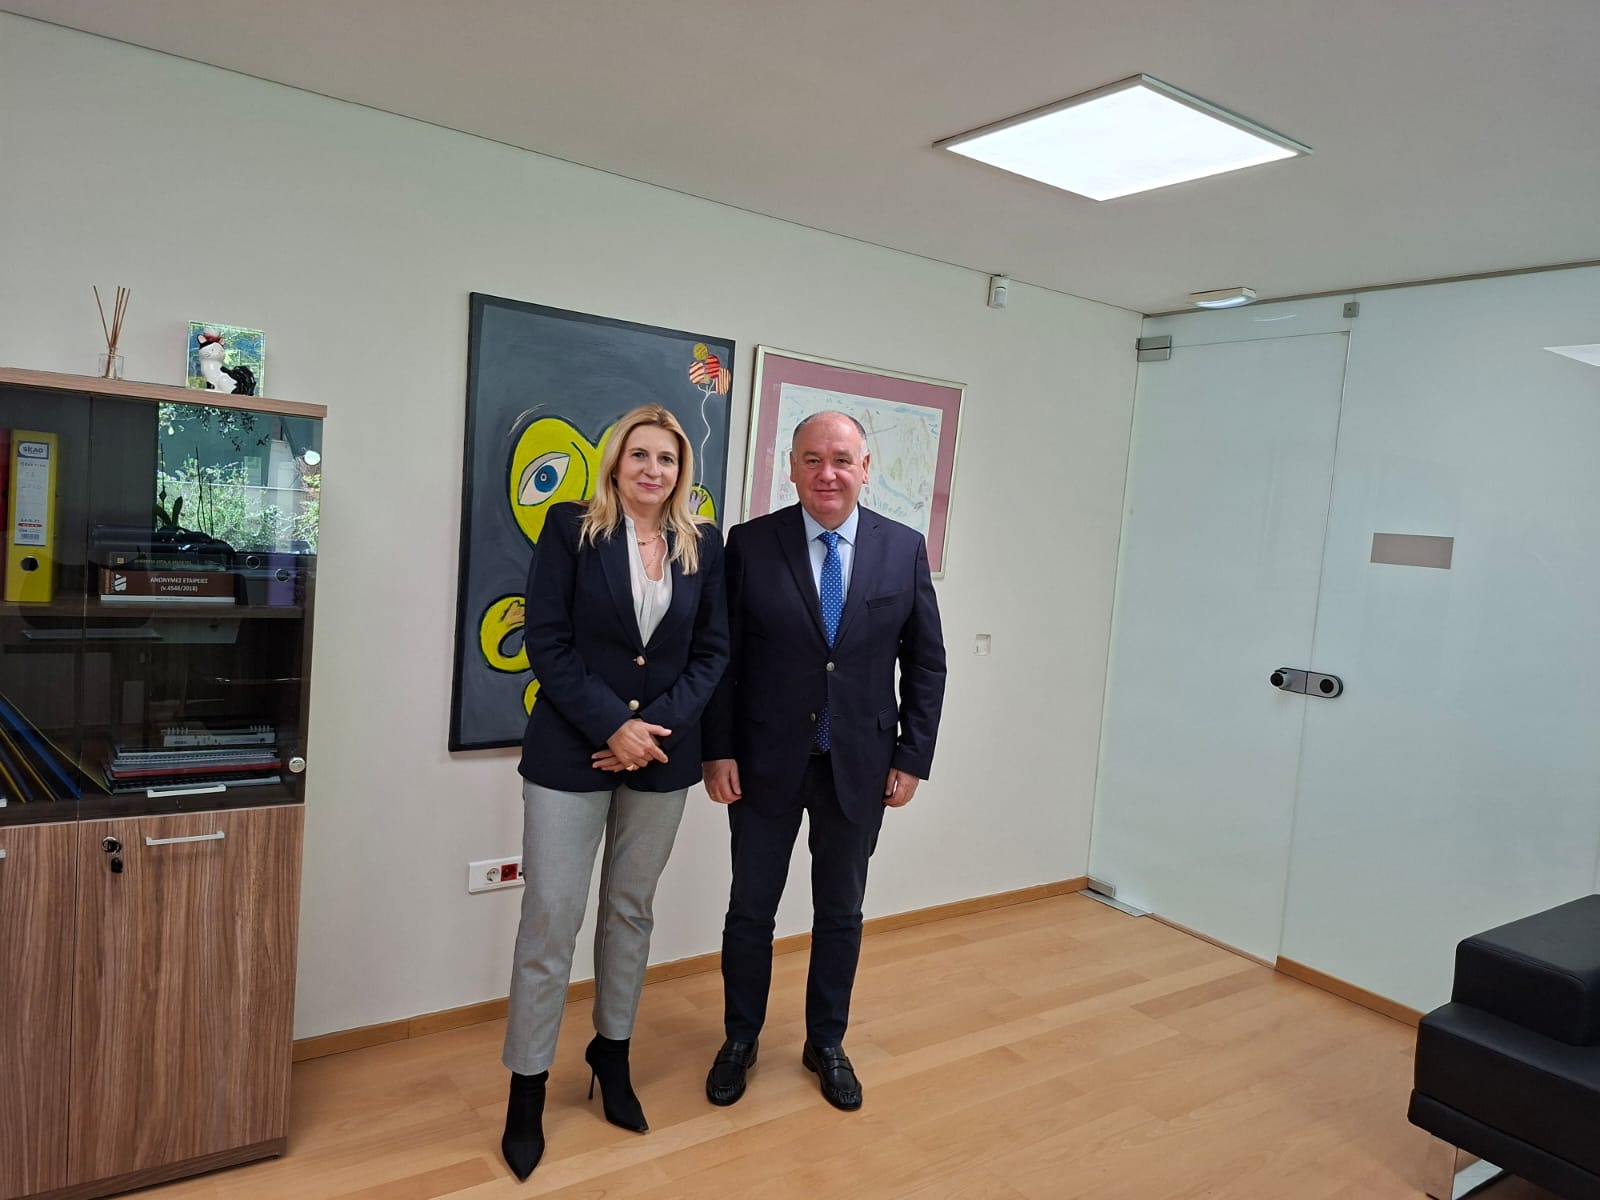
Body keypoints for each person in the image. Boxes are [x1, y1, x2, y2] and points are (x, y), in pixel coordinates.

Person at [500, 404, 729, 1180]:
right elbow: (548, 642)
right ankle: (527, 1090)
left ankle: (613, 1052)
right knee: (551, 919)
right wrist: (612, 726)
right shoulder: (571, 529)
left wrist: (650, 731)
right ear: (616, 462)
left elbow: (712, 653)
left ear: (681, 471)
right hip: (570, 754)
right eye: (640, 455)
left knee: (630, 911)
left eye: (667, 458)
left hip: (662, 758)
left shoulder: (702, 544)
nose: (652, 470)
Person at [700, 410, 947, 1112]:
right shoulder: (751, 544)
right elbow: (721, 660)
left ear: (866, 467)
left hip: (860, 764)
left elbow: (925, 664)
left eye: (841, 459)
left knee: (841, 912)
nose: (827, 473)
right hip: (763, 762)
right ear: (791, 468)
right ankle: (740, 1038)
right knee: (751, 910)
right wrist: (717, 749)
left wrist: (912, 756)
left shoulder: (902, 548)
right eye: (812, 459)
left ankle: (826, 1042)